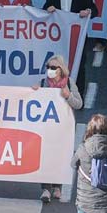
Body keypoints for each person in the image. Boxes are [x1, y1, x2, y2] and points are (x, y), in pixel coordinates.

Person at [37, 56, 84, 201]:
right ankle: (46, 189)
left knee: (60, 156)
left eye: (53, 68)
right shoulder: (44, 83)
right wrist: (35, 92)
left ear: (61, 70)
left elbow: (79, 104)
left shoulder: (69, 83)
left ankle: (57, 187)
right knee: (45, 156)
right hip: (47, 127)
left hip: (63, 127)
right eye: (48, 67)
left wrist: (68, 96)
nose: (49, 70)